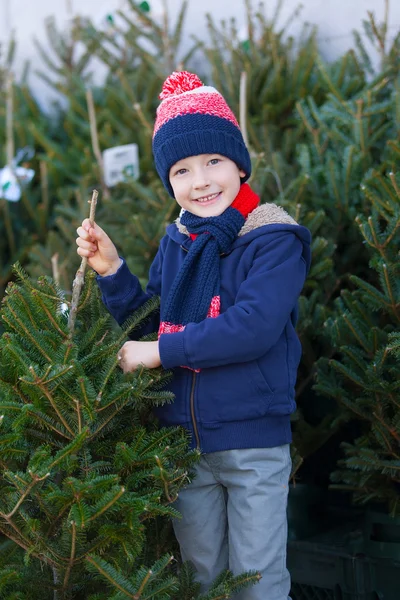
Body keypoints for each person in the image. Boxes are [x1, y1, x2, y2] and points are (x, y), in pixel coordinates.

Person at [76, 71, 311, 600]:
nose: (200, 181)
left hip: (252, 438)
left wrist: (161, 352)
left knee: (258, 579)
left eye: (213, 162)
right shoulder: (178, 241)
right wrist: (112, 272)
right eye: (181, 170)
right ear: (169, 183)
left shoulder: (272, 239)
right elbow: (152, 324)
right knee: (203, 576)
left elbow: (251, 328)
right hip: (184, 442)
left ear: (238, 164)